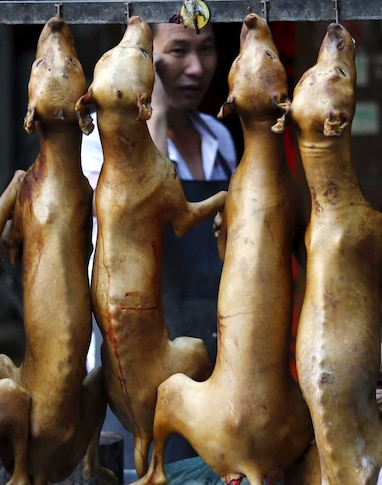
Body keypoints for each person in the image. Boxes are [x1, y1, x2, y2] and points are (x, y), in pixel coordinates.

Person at [81, 19, 238, 475]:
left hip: (204, 345)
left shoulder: (220, 137)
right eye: (177, 52)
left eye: (206, 50)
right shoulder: (101, 142)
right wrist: (158, 111)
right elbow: (152, 194)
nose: (196, 67)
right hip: (132, 358)